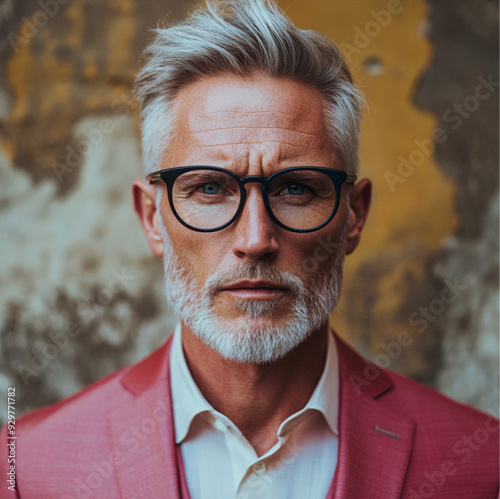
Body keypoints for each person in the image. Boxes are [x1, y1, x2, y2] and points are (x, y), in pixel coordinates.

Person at [1, 1, 498, 498]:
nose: (256, 240)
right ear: (152, 218)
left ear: (354, 216)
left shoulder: (481, 463)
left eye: (297, 190)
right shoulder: (27, 468)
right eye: (211, 189)